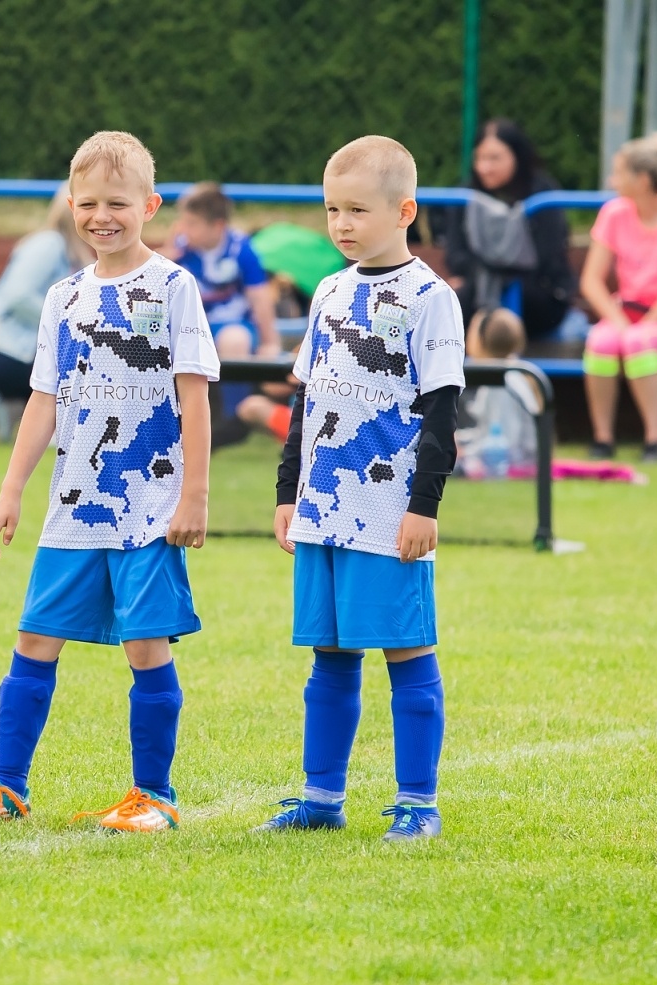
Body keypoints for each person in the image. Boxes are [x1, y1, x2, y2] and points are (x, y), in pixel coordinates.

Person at [0, 130, 218, 833]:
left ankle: (154, 796)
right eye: (87, 203)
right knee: (34, 638)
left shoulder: (174, 287)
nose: (101, 216)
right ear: (69, 204)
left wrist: (194, 495)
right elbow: (44, 400)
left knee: (145, 647)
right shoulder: (64, 296)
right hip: (74, 509)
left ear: (149, 206)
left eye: (117, 202)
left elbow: (194, 396)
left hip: (148, 508)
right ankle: (6, 787)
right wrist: (10, 491)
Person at [257, 135, 464, 842]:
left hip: (387, 511)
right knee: (330, 656)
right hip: (322, 509)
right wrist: (288, 491)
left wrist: (423, 506)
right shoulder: (330, 290)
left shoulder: (430, 298)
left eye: (357, 210)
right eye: (331, 210)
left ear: (404, 211)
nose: (341, 224)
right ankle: (321, 798)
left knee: (406, 653)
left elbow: (441, 414)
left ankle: (417, 804)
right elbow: (306, 400)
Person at [0, 188, 93, 436]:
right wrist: (66, 322)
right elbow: (18, 295)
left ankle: (12, 410)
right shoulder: (49, 244)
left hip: (24, 349)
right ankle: (45, 425)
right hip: (6, 350)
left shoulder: (71, 249)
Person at [579, 134, 657, 462]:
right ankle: (602, 439)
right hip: (626, 315)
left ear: (642, 180)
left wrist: (645, 324)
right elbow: (591, 280)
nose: (611, 181)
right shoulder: (614, 213)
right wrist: (618, 321)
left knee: (638, 342)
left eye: (619, 173)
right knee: (600, 342)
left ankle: (654, 439)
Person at [440, 120, 575, 338]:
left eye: (495, 158)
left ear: (517, 156)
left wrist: (493, 271)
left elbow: (546, 255)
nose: (484, 167)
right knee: (453, 305)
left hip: (535, 294)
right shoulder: (465, 196)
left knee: (504, 294)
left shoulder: (542, 194)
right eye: (479, 158)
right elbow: (456, 255)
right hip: (478, 288)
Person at [171, 182, 282, 360]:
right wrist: (166, 257)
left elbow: (259, 297)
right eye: (183, 221)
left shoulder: (240, 249)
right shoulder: (179, 248)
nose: (183, 229)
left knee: (234, 341)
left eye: (192, 224)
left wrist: (269, 342)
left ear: (218, 225)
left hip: (233, 323)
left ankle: (233, 380)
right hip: (191, 325)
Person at [457, 308, 540, 480]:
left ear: (481, 341)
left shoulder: (502, 383)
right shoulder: (506, 375)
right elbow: (486, 431)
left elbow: (504, 443)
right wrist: (458, 440)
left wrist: (464, 452)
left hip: (514, 464)